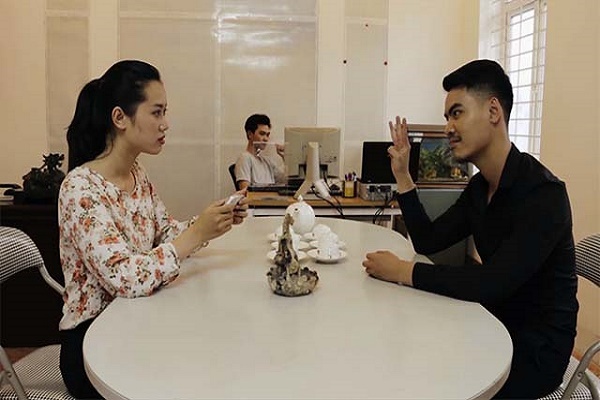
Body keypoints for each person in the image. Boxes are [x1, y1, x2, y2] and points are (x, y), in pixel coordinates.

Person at [362, 59, 578, 398]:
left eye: (457, 113)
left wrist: (403, 271)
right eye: (447, 117)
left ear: (493, 111)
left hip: (535, 350)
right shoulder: (480, 187)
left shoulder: (543, 194)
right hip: (492, 321)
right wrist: (403, 175)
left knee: (426, 379)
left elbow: (492, 282)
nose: (448, 127)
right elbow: (429, 239)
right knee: (401, 352)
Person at [58, 60, 248, 399]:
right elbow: (125, 278)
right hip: (93, 345)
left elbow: (165, 233)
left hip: (137, 323)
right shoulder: (80, 189)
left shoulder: (137, 174)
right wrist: (197, 233)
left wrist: (212, 222)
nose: (165, 124)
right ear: (120, 118)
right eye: (156, 112)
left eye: (165, 112)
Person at [234, 113, 285, 190]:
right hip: (259, 198)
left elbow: (285, 181)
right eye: (262, 134)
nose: (266, 139)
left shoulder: (267, 161)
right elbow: (245, 191)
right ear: (250, 134)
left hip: (270, 197)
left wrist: (285, 156)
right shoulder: (244, 158)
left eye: (267, 135)